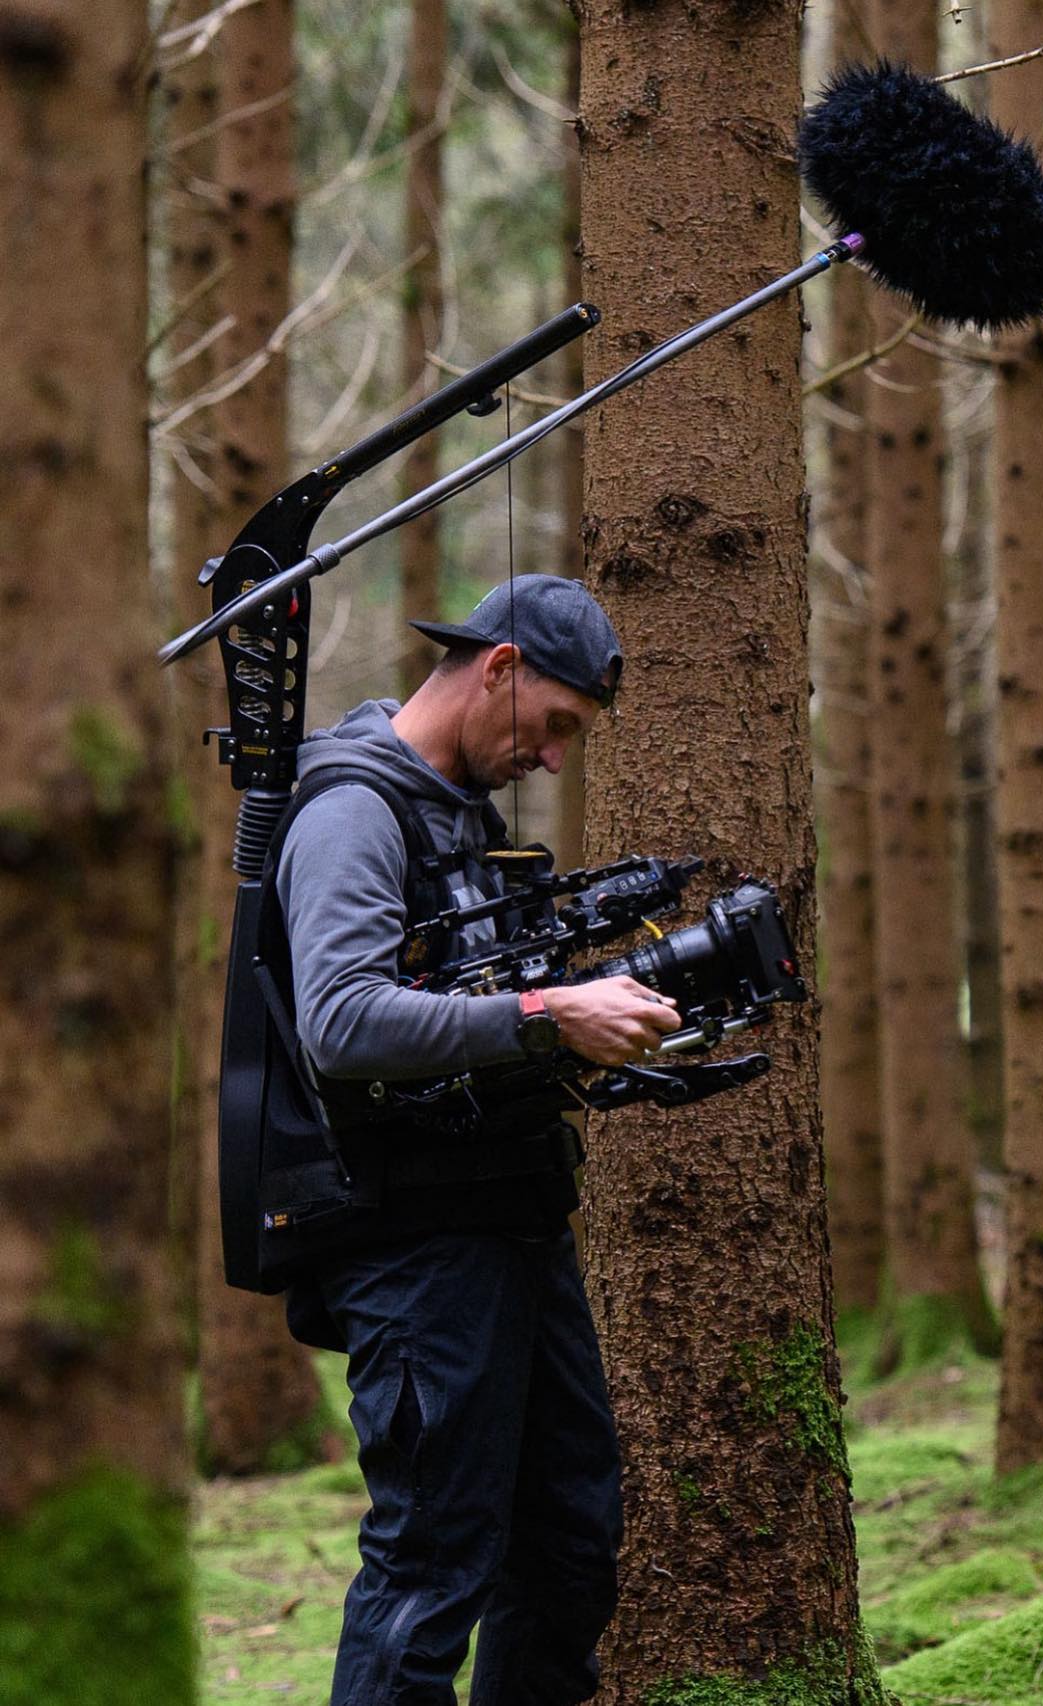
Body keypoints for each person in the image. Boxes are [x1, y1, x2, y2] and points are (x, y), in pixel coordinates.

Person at [276, 574, 681, 1706]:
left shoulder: (463, 814)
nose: (552, 758)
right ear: (499, 667)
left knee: (568, 1542)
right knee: (430, 1563)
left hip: (512, 1222)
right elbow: (340, 1020)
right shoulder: (354, 809)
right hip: (412, 1241)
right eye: (553, 724)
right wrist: (549, 1013)